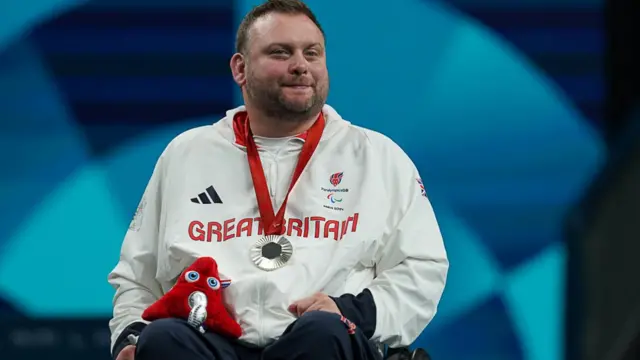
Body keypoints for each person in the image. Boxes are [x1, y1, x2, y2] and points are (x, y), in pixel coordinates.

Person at [108, 0, 449, 359]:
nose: (300, 66)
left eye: (312, 53)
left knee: (324, 332)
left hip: (322, 342)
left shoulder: (376, 156)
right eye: (281, 53)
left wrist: (351, 312)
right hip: (212, 342)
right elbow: (137, 274)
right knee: (163, 339)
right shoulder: (186, 154)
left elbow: (422, 267)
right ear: (240, 68)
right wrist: (130, 338)